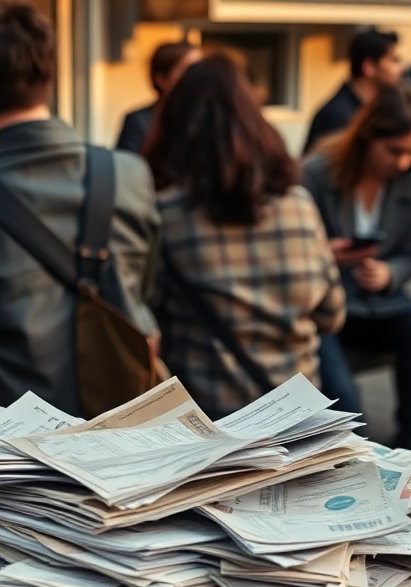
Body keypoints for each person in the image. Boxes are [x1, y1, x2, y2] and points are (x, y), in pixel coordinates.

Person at [0, 3, 159, 423]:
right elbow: (144, 288)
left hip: (5, 456)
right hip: (120, 436)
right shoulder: (129, 175)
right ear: (47, 79)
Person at [146, 52, 345, 418]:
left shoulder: (164, 214)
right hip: (299, 425)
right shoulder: (299, 204)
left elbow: (147, 318)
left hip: (212, 431)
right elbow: (332, 316)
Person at [302, 85, 411, 450]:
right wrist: (327, 254)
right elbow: (292, 251)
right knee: (345, 401)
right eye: (395, 151)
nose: (404, 162)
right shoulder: (316, 174)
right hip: (328, 305)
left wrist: (389, 273)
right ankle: (352, 451)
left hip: (380, 300)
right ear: (367, 137)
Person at [302, 28, 407, 155]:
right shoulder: (336, 116)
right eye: (394, 61)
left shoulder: (378, 110)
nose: (402, 68)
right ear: (369, 67)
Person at [116, 41, 202, 154]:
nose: (197, 76)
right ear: (161, 78)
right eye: (187, 70)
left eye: (200, 69)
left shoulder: (209, 119)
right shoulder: (139, 121)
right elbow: (127, 167)